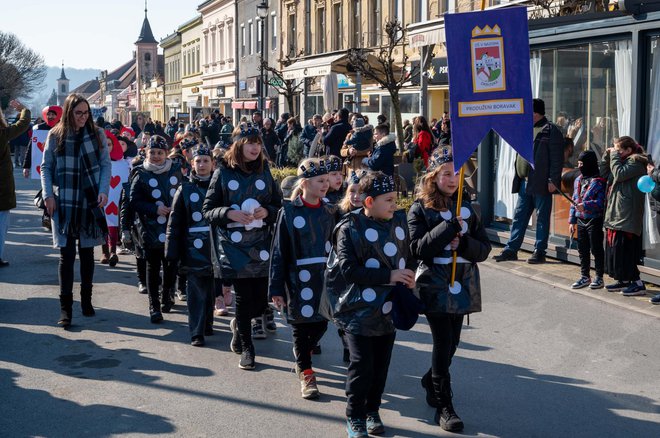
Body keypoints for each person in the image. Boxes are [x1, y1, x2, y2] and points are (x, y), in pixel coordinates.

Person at [325, 171, 416, 438]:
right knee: (361, 365)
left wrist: (410, 275)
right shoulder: (349, 227)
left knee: (380, 366)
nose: (394, 204)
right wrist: (388, 276)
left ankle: (372, 410)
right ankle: (354, 416)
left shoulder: (399, 221)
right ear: (368, 202)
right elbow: (348, 270)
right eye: (388, 199)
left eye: (395, 199)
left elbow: (409, 255)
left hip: (387, 310)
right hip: (356, 311)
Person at [408, 147, 491, 432]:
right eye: (446, 173)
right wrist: (447, 229)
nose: (453, 178)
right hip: (434, 282)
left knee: (453, 342)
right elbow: (417, 248)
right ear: (433, 176)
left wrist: (464, 243)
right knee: (443, 341)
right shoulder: (420, 208)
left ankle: (431, 378)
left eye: (457, 172)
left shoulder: (468, 206)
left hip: (463, 281)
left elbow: (484, 250)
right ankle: (445, 406)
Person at [202, 124, 282, 370]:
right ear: (238, 145)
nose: (255, 147)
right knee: (245, 299)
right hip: (234, 247)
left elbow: (278, 206)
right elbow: (207, 210)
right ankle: (247, 348)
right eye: (250, 142)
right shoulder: (223, 173)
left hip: (261, 244)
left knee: (260, 300)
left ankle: (239, 324)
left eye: (258, 142)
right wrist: (230, 214)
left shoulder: (265, 171)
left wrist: (266, 211)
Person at [41, 94, 111, 327]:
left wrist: (103, 191)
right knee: (66, 255)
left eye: (86, 112)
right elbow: (46, 167)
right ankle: (65, 309)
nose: (83, 117)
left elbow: (105, 164)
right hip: (65, 200)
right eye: (78, 112)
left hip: (90, 199)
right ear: (69, 112)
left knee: (88, 253)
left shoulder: (97, 134)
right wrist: (48, 195)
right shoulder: (56, 135)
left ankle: (86, 300)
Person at [270, 158, 337, 399]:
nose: (325, 185)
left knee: (321, 322)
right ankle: (306, 371)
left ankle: (303, 354)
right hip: (296, 280)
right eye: (320, 181)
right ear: (305, 183)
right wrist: (276, 287)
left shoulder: (331, 210)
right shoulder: (288, 212)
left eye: (327, 181)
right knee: (300, 326)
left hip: (323, 279)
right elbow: (279, 251)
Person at [493, 98, 564, 264]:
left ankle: (539, 251)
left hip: (541, 182)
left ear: (535, 113)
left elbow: (557, 159)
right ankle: (511, 249)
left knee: (542, 218)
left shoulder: (551, 131)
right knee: (519, 217)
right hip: (525, 182)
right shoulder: (526, 128)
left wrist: (553, 180)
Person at [129, 135, 183, 323]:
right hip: (150, 229)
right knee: (152, 267)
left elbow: (185, 194)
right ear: (146, 152)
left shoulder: (176, 171)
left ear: (166, 153)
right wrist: (155, 209)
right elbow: (133, 201)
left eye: (160, 152)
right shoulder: (140, 173)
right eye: (152, 152)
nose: (156, 156)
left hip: (172, 228)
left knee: (171, 266)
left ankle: (167, 293)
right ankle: (154, 305)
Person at [166, 145, 215, 346]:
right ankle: (196, 331)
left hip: (214, 247)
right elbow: (174, 221)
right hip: (192, 248)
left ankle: (207, 324)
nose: (202, 165)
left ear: (213, 163)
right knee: (195, 289)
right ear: (191, 164)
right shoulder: (184, 189)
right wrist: (171, 251)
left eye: (205, 161)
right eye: (198, 161)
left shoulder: (219, 187)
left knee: (211, 287)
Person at [599, 136, 648, 296]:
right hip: (616, 213)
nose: (616, 152)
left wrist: (613, 156)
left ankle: (638, 283)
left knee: (625, 251)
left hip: (627, 215)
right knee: (616, 251)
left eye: (619, 150)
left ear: (628, 150)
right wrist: (607, 156)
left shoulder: (636, 162)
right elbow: (604, 173)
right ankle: (623, 280)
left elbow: (619, 174)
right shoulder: (621, 162)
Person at [568, 150, 607, 290]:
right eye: (578, 163)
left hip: (594, 219)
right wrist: (572, 220)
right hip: (580, 220)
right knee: (582, 249)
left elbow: (601, 202)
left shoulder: (599, 181)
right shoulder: (578, 179)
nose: (579, 166)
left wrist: (585, 206)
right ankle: (585, 276)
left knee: (596, 249)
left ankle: (599, 277)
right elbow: (574, 200)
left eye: (582, 163)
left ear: (589, 164)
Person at [0, 100, 32, 267]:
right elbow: (23, 123)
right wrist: (24, 109)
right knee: (1, 224)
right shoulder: (2, 133)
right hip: (2, 189)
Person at [23, 106, 63, 178]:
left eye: (53, 114)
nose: (50, 116)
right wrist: (26, 166)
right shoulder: (38, 128)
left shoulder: (64, 128)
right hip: (43, 164)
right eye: (49, 114)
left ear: (58, 115)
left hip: (60, 164)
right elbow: (31, 148)